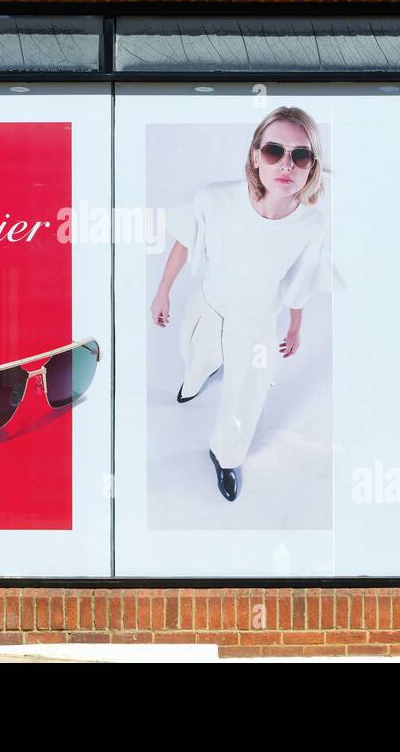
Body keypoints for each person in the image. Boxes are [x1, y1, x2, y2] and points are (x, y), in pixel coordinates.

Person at [151, 107, 331, 502]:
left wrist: (295, 327)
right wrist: (163, 290)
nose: (286, 164)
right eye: (274, 151)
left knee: (246, 395)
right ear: (255, 155)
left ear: (310, 166)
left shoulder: (311, 224)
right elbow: (185, 238)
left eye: (300, 155)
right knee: (194, 357)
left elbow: (302, 278)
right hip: (210, 307)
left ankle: (226, 455)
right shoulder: (215, 198)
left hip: (257, 324)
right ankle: (196, 378)